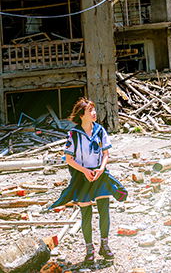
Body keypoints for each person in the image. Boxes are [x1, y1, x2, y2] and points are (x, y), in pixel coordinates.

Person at [47, 97, 126, 263]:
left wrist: (101, 169)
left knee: (104, 212)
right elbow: (69, 159)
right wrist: (84, 171)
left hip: (100, 175)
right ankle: (89, 249)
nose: (94, 113)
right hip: (82, 178)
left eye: (94, 109)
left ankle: (104, 246)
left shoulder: (100, 131)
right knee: (86, 215)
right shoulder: (73, 135)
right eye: (90, 110)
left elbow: (106, 154)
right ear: (82, 115)